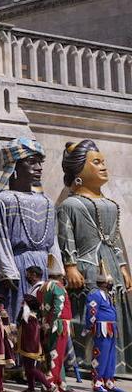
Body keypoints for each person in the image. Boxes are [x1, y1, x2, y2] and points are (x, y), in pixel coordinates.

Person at [57, 140, 132, 374]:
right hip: (86, 267)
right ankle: (85, 360)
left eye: (104, 162)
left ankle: (118, 361)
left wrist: (122, 266)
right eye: (96, 162)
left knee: (115, 311)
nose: (103, 167)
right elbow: (65, 236)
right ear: (79, 169)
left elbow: (115, 240)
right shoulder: (69, 205)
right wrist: (69, 265)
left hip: (110, 265)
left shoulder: (111, 204)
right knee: (87, 314)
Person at [0, 138, 60, 323]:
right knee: (19, 319)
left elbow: (53, 241)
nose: (39, 167)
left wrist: (56, 271)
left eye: (40, 162)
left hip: (44, 266)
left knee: (46, 319)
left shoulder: (47, 202)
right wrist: (7, 271)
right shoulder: (0, 200)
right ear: (14, 166)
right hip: (17, 268)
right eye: (31, 161)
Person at [39, 265, 77, 392]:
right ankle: (50, 383)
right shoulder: (58, 287)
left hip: (49, 324)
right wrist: (51, 323)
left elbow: (43, 307)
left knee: (52, 354)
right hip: (58, 325)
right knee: (56, 355)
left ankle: (59, 382)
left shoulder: (44, 287)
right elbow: (58, 308)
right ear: (60, 276)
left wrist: (46, 323)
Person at [85, 273, 125, 392]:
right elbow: (92, 312)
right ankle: (97, 382)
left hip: (111, 328)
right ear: (103, 283)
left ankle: (109, 382)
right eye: (109, 282)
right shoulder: (95, 295)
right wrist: (89, 327)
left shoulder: (107, 295)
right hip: (101, 329)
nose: (111, 284)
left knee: (111, 357)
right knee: (100, 355)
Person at [17, 295, 55, 392]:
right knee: (28, 369)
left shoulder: (31, 319)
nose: (21, 305)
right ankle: (31, 389)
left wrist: (30, 351)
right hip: (25, 347)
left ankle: (49, 387)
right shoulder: (27, 318)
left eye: (23, 304)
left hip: (30, 348)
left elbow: (32, 337)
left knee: (32, 369)